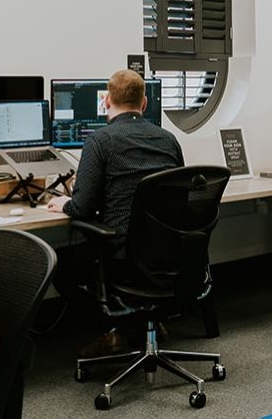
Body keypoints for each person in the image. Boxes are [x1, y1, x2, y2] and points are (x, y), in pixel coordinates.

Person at [46, 69, 185, 354]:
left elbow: (82, 207)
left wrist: (64, 203)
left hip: (122, 258)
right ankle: (145, 324)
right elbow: (178, 195)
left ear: (106, 101)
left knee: (58, 263)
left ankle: (113, 330)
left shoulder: (100, 141)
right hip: (168, 256)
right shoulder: (168, 140)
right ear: (144, 103)